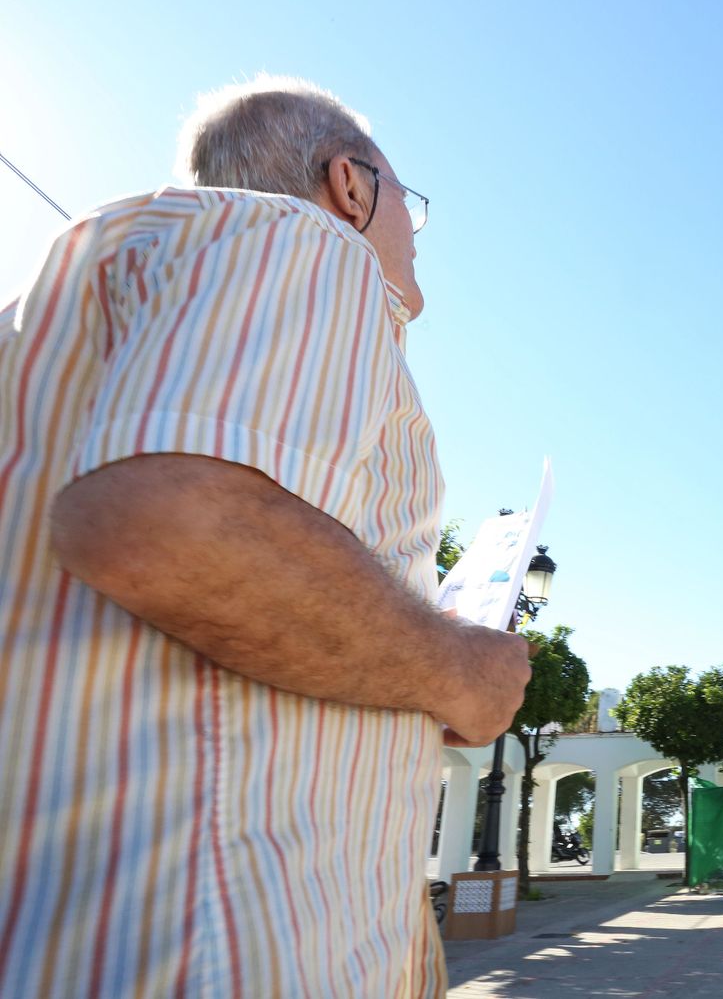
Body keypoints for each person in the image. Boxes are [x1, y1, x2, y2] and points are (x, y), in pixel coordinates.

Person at [0, 76, 532, 997]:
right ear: (351, 186)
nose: (415, 232)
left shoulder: (43, 332)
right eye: (413, 205)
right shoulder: (306, 240)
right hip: (213, 947)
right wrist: (458, 667)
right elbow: (172, 526)